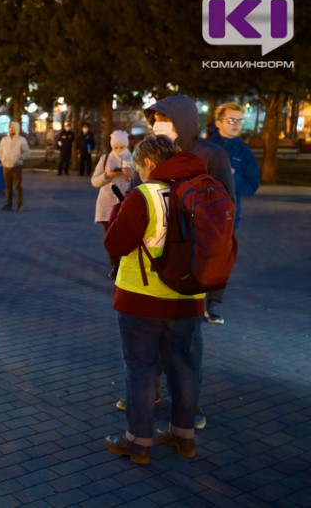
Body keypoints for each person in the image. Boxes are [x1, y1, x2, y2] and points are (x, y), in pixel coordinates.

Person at [103, 135, 206, 465]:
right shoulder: (200, 188)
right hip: (189, 295)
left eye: (136, 166)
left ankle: (138, 440)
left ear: (148, 164)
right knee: (184, 367)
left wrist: (121, 207)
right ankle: (183, 435)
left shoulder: (144, 194)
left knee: (142, 369)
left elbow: (115, 243)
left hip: (142, 298)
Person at [143, 95, 235, 430]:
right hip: (154, 263)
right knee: (147, 335)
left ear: (182, 121)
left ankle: (188, 409)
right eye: (154, 119)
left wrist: (215, 284)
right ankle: (145, 392)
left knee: (185, 343)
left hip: (191, 264)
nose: (158, 125)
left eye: (164, 118)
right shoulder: (153, 152)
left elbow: (225, 216)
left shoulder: (211, 155)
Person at [206, 102, 260, 324]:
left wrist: (232, 181)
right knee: (195, 258)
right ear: (219, 122)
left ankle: (212, 306)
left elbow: (252, 184)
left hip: (229, 218)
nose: (236, 124)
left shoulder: (244, 153)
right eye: (231, 120)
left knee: (220, 262)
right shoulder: (205, 148)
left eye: (240, 120)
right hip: (201, 213)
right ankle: (188, 303)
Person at [91, 130, 132, 279]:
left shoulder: (133, 158)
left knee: (126, 236)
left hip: (126, 204)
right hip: (106, 205)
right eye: (115, 147)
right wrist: (107, 176)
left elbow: (141, 181)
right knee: (111, 237)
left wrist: (129, 176)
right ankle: (115, 265)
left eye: (121, 147)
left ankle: (125, 264)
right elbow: (94, 181)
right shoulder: (105, 158)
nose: (118, 150)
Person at [0, 121, 30, 211]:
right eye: (10, 127)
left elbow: (27, 152)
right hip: (6, 166)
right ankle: (9, 204)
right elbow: (0, 151)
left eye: (13, 127)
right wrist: (2, 158)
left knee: (17, 186)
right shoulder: (4, 140)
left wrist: (19, 157)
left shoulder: (21, 140)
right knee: (8, 187)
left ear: (17, 128)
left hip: (16, 166)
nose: (11, 129)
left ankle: (19, 204)